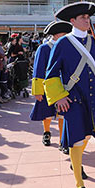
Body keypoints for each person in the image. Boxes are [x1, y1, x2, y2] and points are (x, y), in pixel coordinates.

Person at [43, 1, 95, 188]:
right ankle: (79, 184)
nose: (87, 20)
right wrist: (59, 96)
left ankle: (76, 160)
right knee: (77, 140)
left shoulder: (94, 42)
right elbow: (51, 73)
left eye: (89, 18)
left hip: (93, 98)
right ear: (72, 21)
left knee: (89, 135)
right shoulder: (63, 43)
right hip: (73, 99)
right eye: (83, 17)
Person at [30, 21, 72, 154]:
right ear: (58, 35)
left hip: (63, 86)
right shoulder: (44, 48)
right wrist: (38, 90)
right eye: (65, 34)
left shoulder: (67, 47)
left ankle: (62, 141)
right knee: (46, 114)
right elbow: (38, 69)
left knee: (62, 114)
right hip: (47, 86)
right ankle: (47, 132)